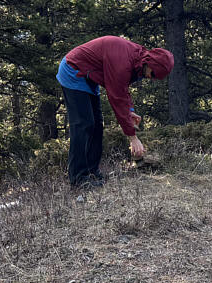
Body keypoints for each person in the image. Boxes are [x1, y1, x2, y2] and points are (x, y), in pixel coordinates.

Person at [56, 36, 174, 188]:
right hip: (73, 70)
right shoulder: (123, 62)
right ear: (150, 63)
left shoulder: (138, 59)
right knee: (83, 124)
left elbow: (123, 89)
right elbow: (116, 97)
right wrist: (132, 137)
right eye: (153, 74)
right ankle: (78, 178)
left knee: (97, 125)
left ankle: (92, 172)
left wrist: (130, 111)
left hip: (89, 77)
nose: (151, 78)